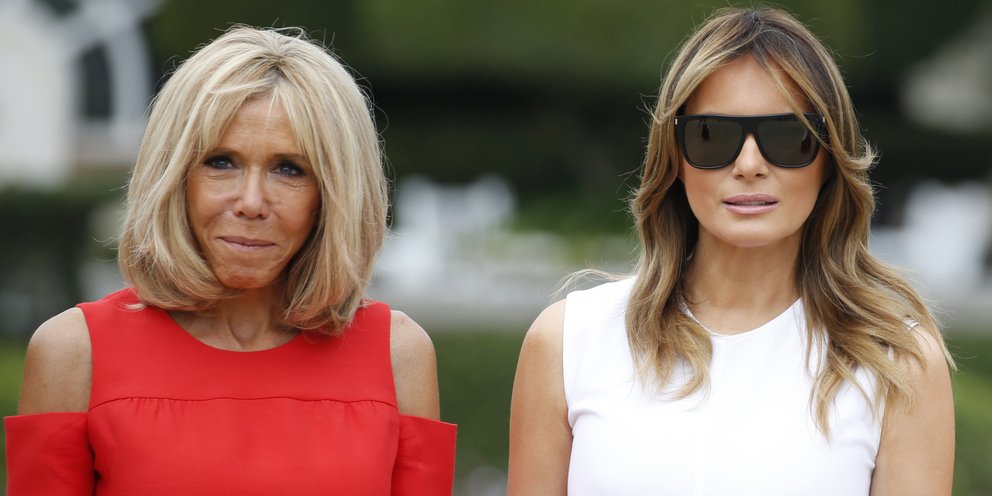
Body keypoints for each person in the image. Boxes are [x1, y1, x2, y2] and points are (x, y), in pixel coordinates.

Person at [508, 6, 954, 496]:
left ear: (829, 159)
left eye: (788, 135)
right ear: (675, 157)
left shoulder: (897, 362)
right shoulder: (569, 342)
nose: (748, 164)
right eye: (711, 135)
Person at [5, 26, 456, 495]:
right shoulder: (74, 354)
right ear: (174, 176)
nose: (251, 202)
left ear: (332, 195)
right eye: (221, 162)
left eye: (289, 169)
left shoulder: (398, 355)